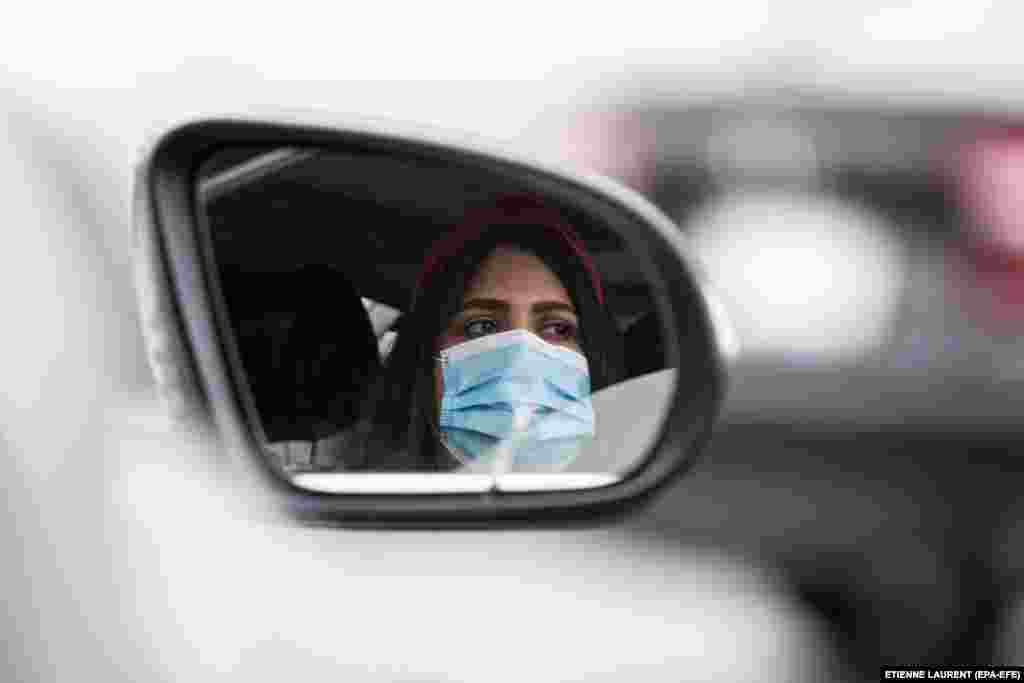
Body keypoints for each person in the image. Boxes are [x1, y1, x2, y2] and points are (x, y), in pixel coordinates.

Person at [346, 194, 625, 472]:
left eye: (557, 328)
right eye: (482, 327)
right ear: (424, 359)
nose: (521, 360)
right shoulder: (374, 507)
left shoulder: (633, 502)